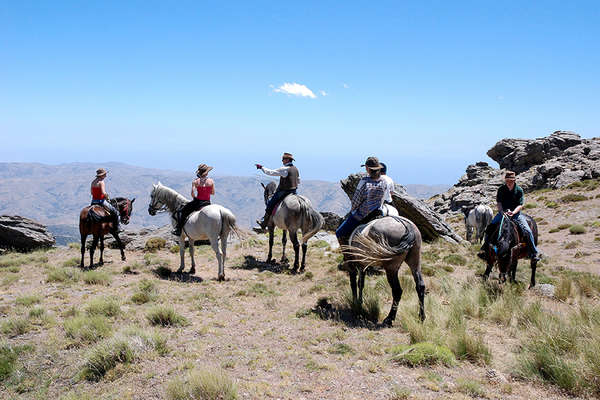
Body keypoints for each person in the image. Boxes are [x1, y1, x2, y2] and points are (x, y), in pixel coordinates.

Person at [478, 171, 541, 261]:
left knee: (527, 231)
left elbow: (520, 205)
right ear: (505, 180)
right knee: (490, 228)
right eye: (507, 180)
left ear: (514, 180)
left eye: (511, 180)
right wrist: (501, 211)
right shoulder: (501, 189)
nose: (509, 182)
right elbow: (499, 202)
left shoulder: (519, 190)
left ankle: (533, 253)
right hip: (503, 213)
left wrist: (514, 212)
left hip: (516, 214)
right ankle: (485, 250)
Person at [336, 157, 387, 268]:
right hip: (378, 213)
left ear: (368, 168)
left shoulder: (364, 181)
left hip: (363, 215)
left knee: (339, 232)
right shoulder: (383, 181)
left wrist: (352, 210)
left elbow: (356, 200)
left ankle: (348, 260)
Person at [255, 152, 300, 229]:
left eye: (283, 159)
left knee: (270, 204)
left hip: (284, 192)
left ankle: (264, 222)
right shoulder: (295, 169)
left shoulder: (284, 169)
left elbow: (270, 172)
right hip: (294, 191)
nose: (282, 161)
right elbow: (298, 181)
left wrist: (261, 167)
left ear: (287, 160)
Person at [172, 164, 215, 236]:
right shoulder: (211, 181)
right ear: (207, 173)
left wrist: (195, 197)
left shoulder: (195, 182)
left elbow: (192, 193)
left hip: (198, 202)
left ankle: (178, 230)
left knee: (181, 212)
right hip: (207, 202)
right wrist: (206, 191)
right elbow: (213, 193)